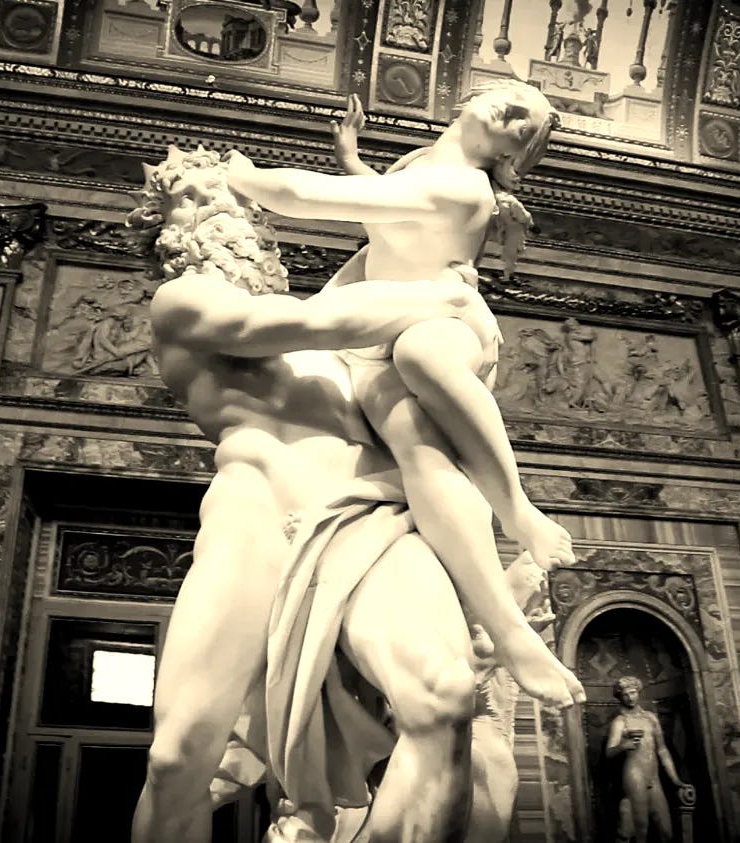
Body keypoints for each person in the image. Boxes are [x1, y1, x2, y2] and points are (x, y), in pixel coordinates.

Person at [128, 145, 504, 843]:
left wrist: (440, 229)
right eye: (193, 198)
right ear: (166, 232)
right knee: (177, 757)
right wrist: (448, 298)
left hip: (365, 520)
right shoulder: (182, 303)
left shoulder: (340, 321)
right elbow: (286, 324)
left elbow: (404, 233)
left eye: (233, 199)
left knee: (447, 695)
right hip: (256, 517)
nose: (222, 209)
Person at [227, 79, 584, 710]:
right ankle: (507, 630)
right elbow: (386, 216)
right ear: (472, 97)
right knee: (417, 451)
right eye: (510, 98)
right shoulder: (420, 167)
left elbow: (305, 198)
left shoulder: (465, 186)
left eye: (521, 122)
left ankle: (517, 508)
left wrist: (242, 177)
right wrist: (353, 159)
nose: (509, 109)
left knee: (420, 352)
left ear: (509, 153)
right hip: (373, 342)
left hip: (444, 321)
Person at [606, 676, 693, 843]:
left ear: (638, 692)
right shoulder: (620, 722)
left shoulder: (651, 718)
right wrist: (623, 746)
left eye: (632, 693)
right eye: (625, 695)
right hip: (633, 775)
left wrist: (676, 780)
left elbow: (662, 750)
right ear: (620, 697)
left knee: (666, 830)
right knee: (641, 829)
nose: (630, 698)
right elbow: (609, 752)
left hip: (654, 777)